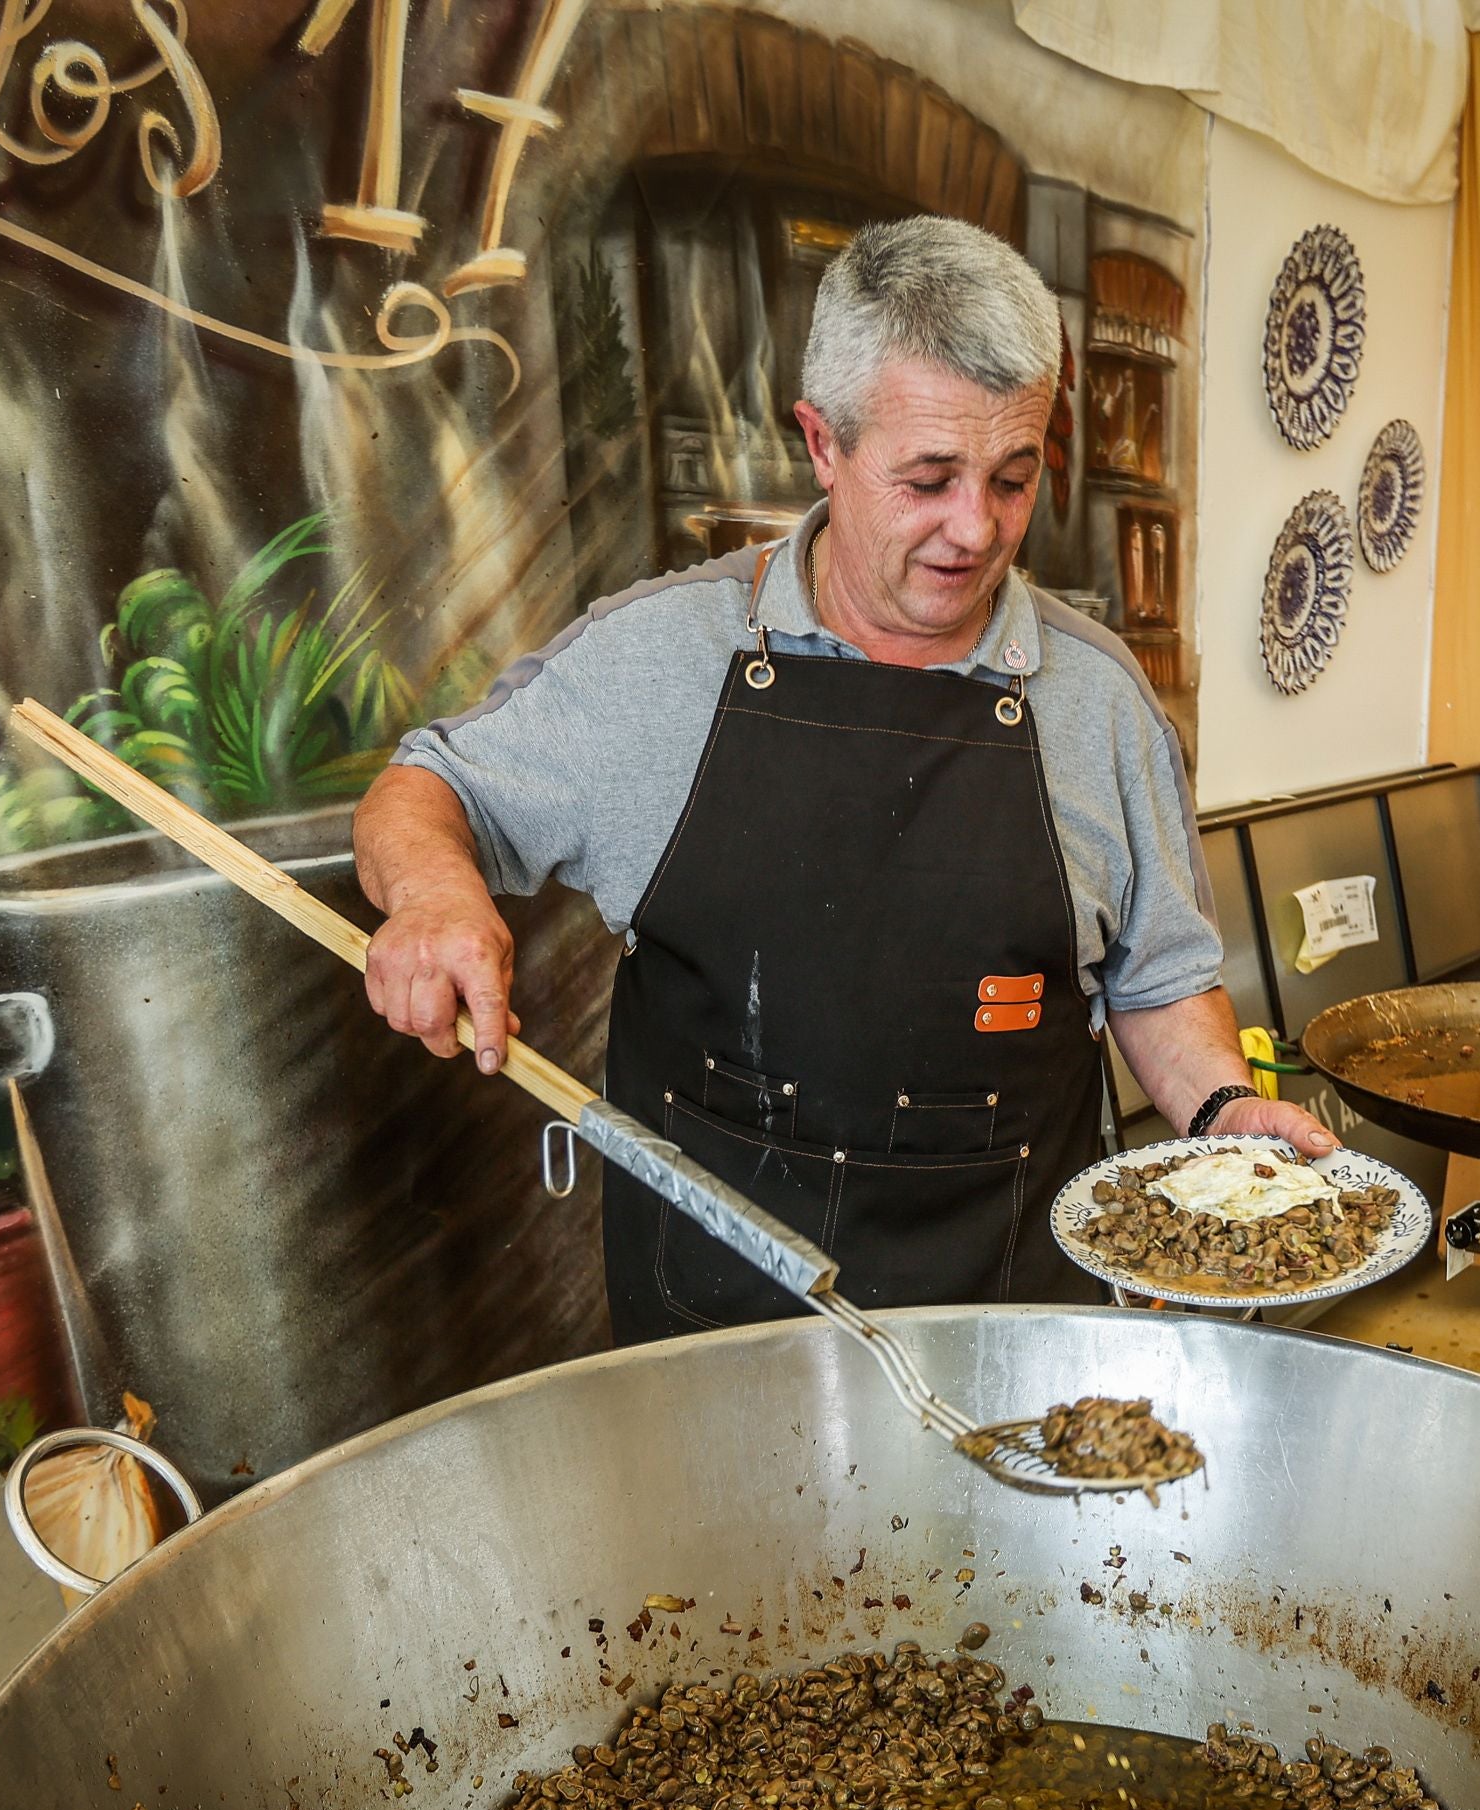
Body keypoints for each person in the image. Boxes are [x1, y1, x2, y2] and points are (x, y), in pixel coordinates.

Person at [352, 213, 1332, 1343]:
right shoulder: (660, 663)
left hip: (1011, 1341)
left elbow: (1156, 975)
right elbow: (430, 787)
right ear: (820, 444)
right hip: (716, 1344)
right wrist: (432, 894)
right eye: (929, 479)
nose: (976, 528)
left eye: (1012, 479)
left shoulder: (1097, 702)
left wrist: (1217, 1105)